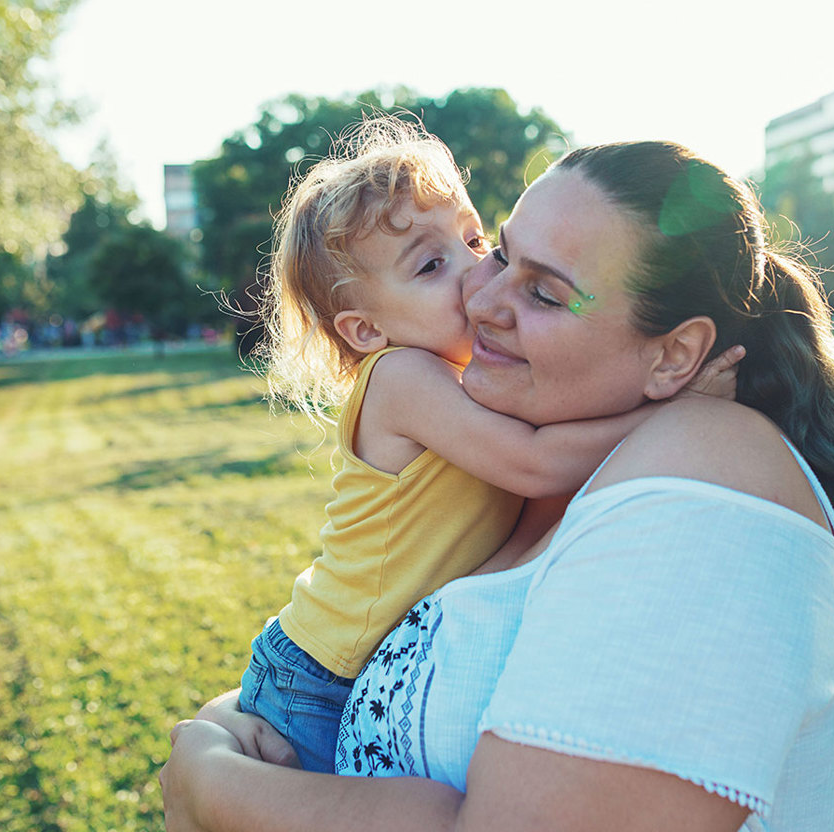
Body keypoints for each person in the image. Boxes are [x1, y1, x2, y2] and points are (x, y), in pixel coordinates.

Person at [162, 140, 834, 832]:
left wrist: (212, 786)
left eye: (546, 293)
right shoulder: (517, 454)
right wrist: (230, 723)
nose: (481, 297)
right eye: (504, 257)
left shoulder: (710, 478)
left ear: (674, 357)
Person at [234, 120, 744, 773]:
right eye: (430, 264)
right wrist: (676, 404)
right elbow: (533, 461)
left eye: (475, 239)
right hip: (318, 673)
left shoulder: (462, 382)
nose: (476, 270)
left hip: (357, 662)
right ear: (366, 329)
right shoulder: (401, 378)